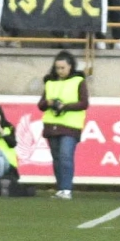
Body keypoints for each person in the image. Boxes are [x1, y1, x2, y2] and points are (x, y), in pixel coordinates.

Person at [38, 49, 87, 199]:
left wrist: (65, 106)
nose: (59, 71)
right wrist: (49, 102)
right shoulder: (50, 82)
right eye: (57, 68)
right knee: (57, 158)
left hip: (71, 125)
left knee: (66, 156)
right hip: (52, 124)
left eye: (62, 68)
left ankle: (66, 189)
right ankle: (61, 188)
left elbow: (84, 103)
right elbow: (41, 105)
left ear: (70, 66)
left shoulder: (79, 81)